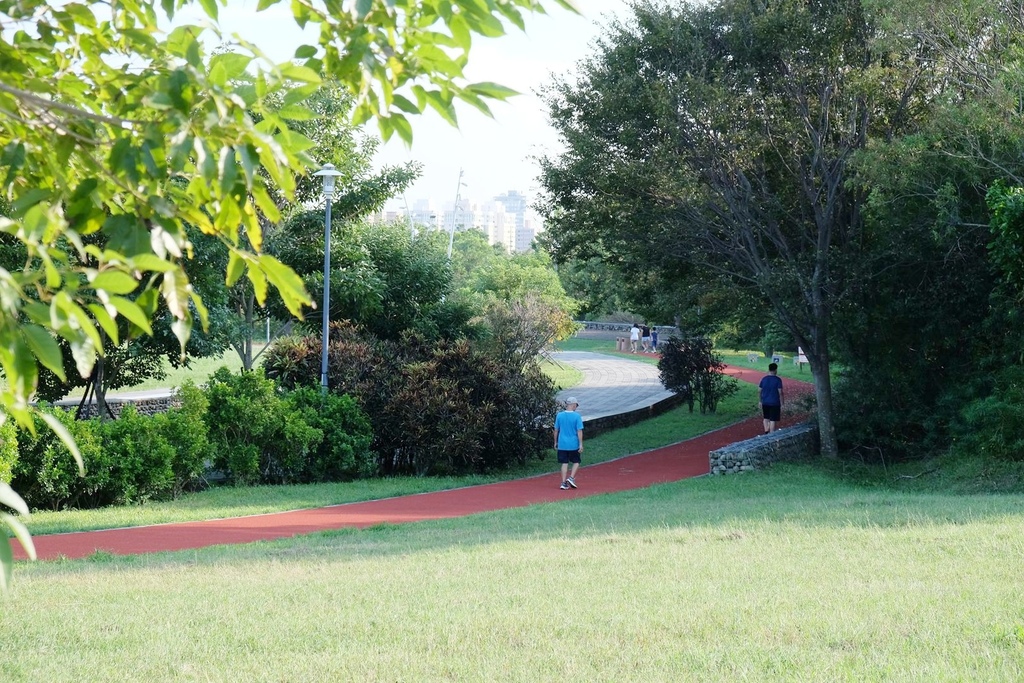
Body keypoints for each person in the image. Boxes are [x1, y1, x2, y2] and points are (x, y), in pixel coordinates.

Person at [553, 397, 584, 490]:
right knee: (576, 461)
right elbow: (579, 431)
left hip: (562, 443)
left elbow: (556, 430)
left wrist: (555, 442)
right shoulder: (577, 416)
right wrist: (580, 444)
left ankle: (563, 482)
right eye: (576, 405)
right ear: (573, 405)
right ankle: (571, 478)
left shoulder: (559, 415)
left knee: (564, 462)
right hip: (573, 443)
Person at [758, 362, 785, 434]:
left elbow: (759, 391)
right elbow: (780, 392)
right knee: (773, 419)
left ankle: (766, 431)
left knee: (766, 418)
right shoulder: (778, 380)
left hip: (765, 402)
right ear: (775, 370)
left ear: (769, 369)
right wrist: (782, 403)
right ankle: (771, 433)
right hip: (775, 402)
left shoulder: (764, 379)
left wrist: (760, 401)